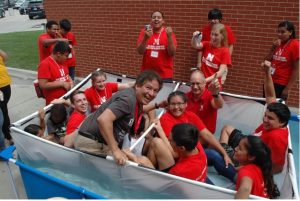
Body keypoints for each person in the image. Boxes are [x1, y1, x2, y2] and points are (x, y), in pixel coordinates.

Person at [208, 62, 291, 183]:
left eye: (270, 119)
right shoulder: (275, 116)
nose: (265, 120)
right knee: (227, 128)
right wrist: (267, 73)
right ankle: (225, 151)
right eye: (265, 116)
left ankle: (227, 159)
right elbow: (271, 95)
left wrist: (241, 169)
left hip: (247, 158)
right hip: (248, 142)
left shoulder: (276, 137)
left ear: (282, 123)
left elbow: (276, 167)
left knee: (212, 150)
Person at [71, 70, 162, 165]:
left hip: (102, 144)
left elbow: (136, 110)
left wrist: (158, 105)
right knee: (135, 164)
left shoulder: (135, 99)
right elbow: (103, 119)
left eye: (155, 90)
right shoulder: (128, 99)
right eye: (148, 88)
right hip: (93, 145)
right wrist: (115, 150)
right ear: (137, 85)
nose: (152, 93)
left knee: (140, 162)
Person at [159, 91, 232, 166]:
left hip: (193, 151)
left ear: (186, 104)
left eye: (179, 103)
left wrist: (224, 154)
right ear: (168, 105)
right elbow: (173, 147)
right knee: (213, 154)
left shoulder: (191, 115)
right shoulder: (165, 119)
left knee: (215, 148)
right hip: (181, 157)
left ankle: (235, 172)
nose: (176, 107)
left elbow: (207, 135)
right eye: (173, 104)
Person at [124, 123, 208, 182]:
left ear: (182, 148)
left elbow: (162, 186)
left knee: (142, 160)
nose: (168, 142)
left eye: (171, 141)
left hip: (172, 187)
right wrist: (159, 129)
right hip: (180, 178)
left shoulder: (179, 171)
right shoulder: (195, 143)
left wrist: (135, 159)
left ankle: (147, 173)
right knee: (156, 141)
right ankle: (149, 170)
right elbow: (174, 152)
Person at [193, 8, 236, 84]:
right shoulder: (206, 30)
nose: (212, 20)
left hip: (220, 63)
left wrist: (225, 60)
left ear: (220, 19)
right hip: (208, 61)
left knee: (216, 86)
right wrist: (199, 62)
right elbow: (199, 47)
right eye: (211, 18)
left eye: (215, 18)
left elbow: (230, 45)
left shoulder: (226, 29)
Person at [263, 20, 299, 101]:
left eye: (283, 32)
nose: (279, 34)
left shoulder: (295, 44)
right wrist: (272, 49)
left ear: (290, 32)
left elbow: (297, 69)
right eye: (278, 32)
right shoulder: (277, 43)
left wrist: (287, 89)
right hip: (269, 80)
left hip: (281, 83)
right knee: (266, 106)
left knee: (276, 109)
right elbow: (265, 61)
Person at [137, 11, 177, 81]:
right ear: (151, 20)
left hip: (164, 74)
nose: (156, 19)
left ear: (163, 21)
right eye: (154, 17)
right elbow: (140, 51)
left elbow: (172, 53)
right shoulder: (145, 32)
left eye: (159, 17)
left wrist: (169, 37)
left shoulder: (168, 33)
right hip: (147, 74)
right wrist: (145, 38)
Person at [191, 23, 232, 88]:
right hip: (202, 83)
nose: (213, 37)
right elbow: (195, 45)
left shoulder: (225, 51)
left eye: (216, 35)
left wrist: (205, 80)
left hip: (213, 85)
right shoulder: (207, 44)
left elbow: (221, 72)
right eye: (212, 34)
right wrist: (194, 38)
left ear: (222, 36)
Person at [38, 41, 73, 105]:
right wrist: (62, 84)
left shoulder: (62, 61)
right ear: (58, 54)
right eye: (66, 55)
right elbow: (42, 85)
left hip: (66, 99)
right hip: (55, 104)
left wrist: (71, 82)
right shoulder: (45, 64)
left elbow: (66, 74)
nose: (67, 58)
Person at [0, 49, 12, 145]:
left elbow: (5, 57)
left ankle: (7, 134)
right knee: (3, 110)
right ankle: (7, 135)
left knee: (3, 109)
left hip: (5, 85)